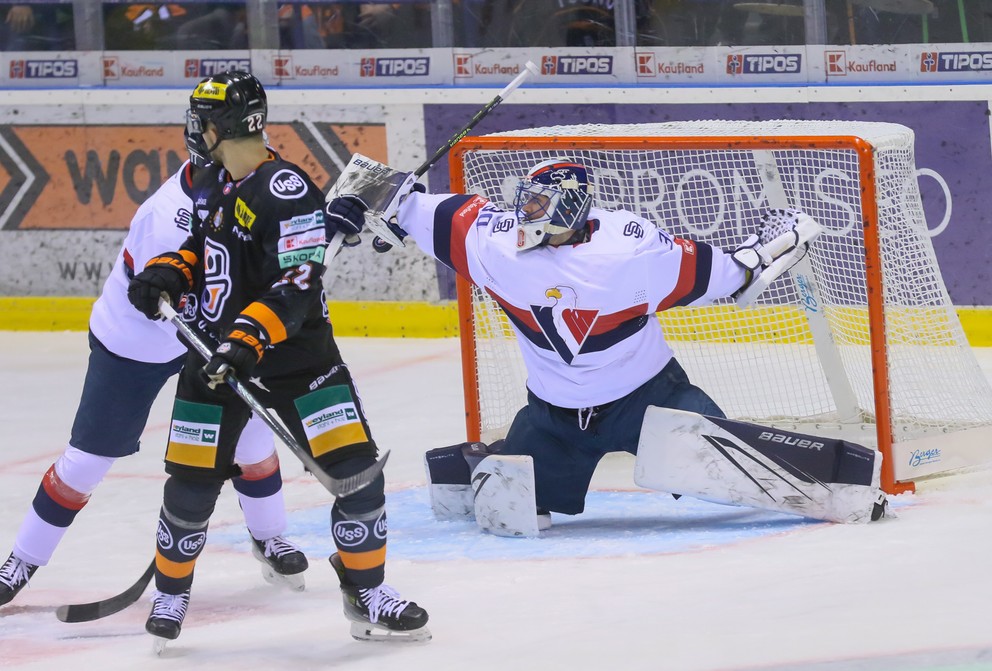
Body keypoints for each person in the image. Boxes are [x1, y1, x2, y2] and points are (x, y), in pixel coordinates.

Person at [329, 158, 886, 531]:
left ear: (571, 207)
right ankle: (498, 459)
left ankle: (849, 483)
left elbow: (724, 280)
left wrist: (754, 257)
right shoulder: (494, 242)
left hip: (650, 404)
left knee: (745, 477)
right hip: (552, 418)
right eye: (524, 203)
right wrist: (357, 201)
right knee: (505, 513)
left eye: (540, 206)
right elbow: (397, 197)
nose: (524, 214)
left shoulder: (626, 253)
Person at [126, 71, 429, 648]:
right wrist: (173, 269)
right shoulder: (221, 182)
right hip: (217, 359)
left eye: (200, 121)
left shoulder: (283, 188)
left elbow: (294, 286)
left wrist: (246, 342)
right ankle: (171, 591)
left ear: (217, 128)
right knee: (190, 484)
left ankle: (367, 592)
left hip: (297, 363)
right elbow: (211, 247)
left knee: (356, 477)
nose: (195, 131)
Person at [0, 131, 308, 609]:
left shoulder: (257, 182)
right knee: (86, 462)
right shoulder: (166, 218)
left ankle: (269, 538)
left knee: (252, 440)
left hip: (210, 332)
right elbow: (165, 301)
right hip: (136, 338)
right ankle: (21, 560)